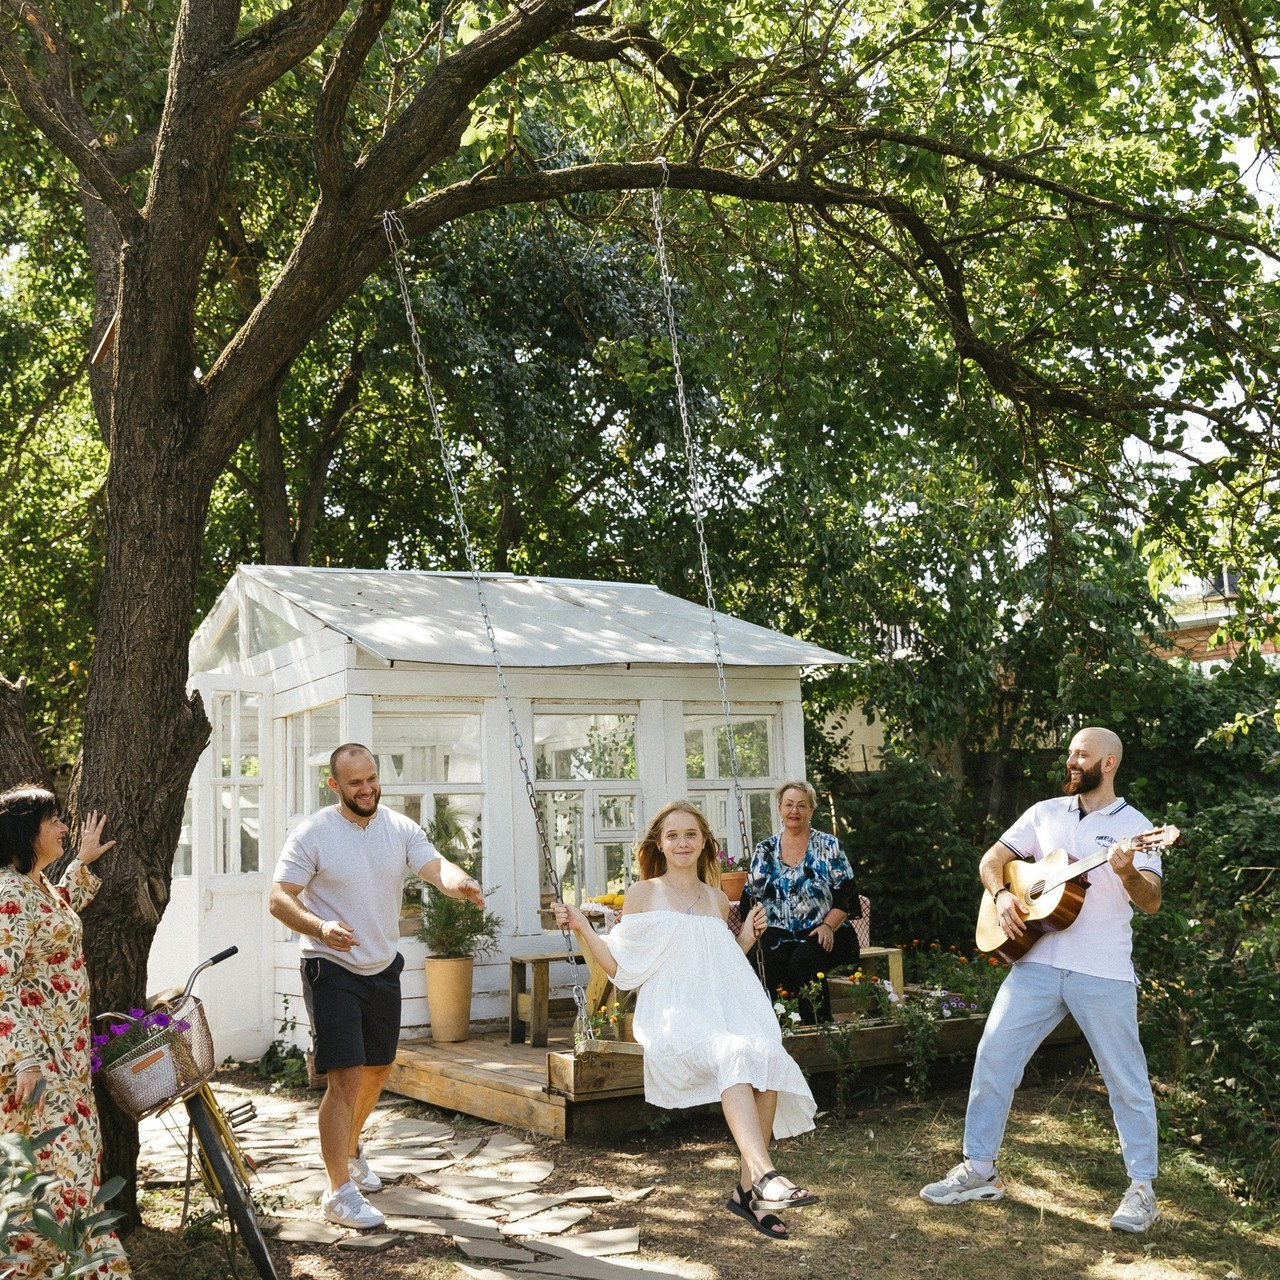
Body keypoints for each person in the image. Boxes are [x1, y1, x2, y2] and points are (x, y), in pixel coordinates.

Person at [919, 727, 1165, 1233]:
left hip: (1103, 971)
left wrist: (1125, 873)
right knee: (993, 1061)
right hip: (1034, 965)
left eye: (1082, 755)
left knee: (1126, 1082)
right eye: (1071, 753)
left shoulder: (1137, 827)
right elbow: (993, 861)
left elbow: (1153, 900)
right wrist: (1003, 896)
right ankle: (980, 1170)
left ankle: (1142, 1189)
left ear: (1109, 764)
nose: (1072, 760)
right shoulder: (1045, 812)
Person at [554, 800, 817, 1241]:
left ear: (704, 844)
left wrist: (747, 937)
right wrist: (581, 924)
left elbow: (719, 961)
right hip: (674, 1015)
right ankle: (767, 1174)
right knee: (735, 1051)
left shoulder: (716, 899)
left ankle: (749, 1192)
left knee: (766, 1055)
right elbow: (622, 968)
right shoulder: (644, 893)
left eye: (690, 835)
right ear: (660, 843)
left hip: (723, 1006)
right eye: (672, 835)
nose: (681, 842)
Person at [269, 744, 484, 1230]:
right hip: (330, 966)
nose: (366, 789)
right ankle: (338, 1190)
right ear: (335, 786)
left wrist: (461, 882)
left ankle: (350, 1148)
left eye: (371, 779)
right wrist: (319, 928)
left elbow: (435, 867)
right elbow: (279, 899)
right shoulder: (313, 833)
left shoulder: (399, 827)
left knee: (379, 1068)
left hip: (382, 965)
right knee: (343, 1076)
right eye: (354, 783)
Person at [0, 785, 132, 1279]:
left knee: (68, 1171)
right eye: (54, 820)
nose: (63, 827)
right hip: (37, 1065)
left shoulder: (35, 886)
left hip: (68, 1060)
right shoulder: (9, 893)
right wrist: (25, 1059)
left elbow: (59, 913)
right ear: (26, 831)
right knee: (60, 1175)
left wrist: (82, 861)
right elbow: (1, 981)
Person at [743, 780, 860, 1023]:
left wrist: (828, 926)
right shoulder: (765, 849)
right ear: (779, 809)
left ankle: (817, 1029)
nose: (794, 811)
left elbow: (846, 896)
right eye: (788, 805)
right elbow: (751, 898)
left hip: (823, 930)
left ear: (812, 810)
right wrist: (757, 931)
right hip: (778, 932)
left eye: (801, 805)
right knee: (762, 959)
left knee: (804, 959)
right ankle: (766, 1029)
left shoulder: (829, 846)